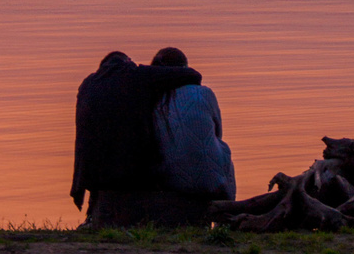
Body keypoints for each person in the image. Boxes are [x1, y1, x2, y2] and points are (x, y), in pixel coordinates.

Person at [71, 49, 202, 211]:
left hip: (90, 177)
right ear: (128, 62)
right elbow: (193, 75)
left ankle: (94, 213)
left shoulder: (87, 84)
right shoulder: (137, 75)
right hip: (133, 174)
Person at [149, 47, 236, 201]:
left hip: (172, 182)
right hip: (214, 180)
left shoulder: (153, 99)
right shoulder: (204, 93)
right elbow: (217, 133)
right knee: (222, 148)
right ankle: (226, 215)